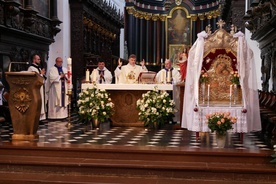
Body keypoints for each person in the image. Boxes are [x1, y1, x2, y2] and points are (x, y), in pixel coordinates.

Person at [27, 54, 46, 121]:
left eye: (40, 59)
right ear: (34, 60)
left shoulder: (38, 68)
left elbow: (41, 78)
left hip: (40, 87)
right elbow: (33, 79)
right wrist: (41, 74)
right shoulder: (31, 68)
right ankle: (36, 118)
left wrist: (42, 74)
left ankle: (40, 118)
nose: (39, 60)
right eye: (38, 59)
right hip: (35, 89)